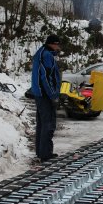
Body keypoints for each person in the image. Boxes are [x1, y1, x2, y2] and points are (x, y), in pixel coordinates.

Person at [31, 34, 61, 162]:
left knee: (42, 124)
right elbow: (46, 77)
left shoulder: (41, 52)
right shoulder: (47, 55)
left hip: (39, 93)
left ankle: (41, 151)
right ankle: (45, 154)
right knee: (48, 124)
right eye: (57, 44)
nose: (58, 47)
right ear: (52, 44)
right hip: (45, 94)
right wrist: (53, 95)